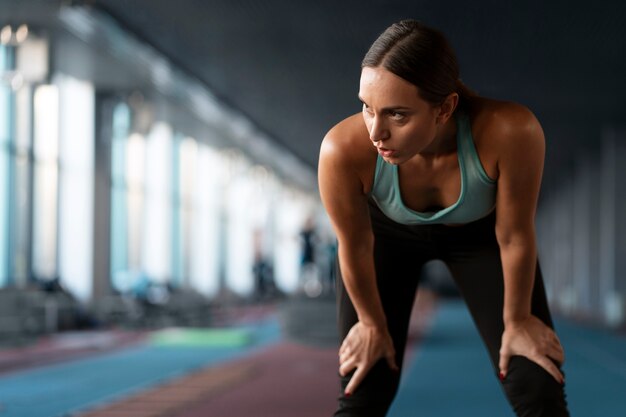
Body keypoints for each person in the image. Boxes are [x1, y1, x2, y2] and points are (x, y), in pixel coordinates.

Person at [318, 19, 569, 417]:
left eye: (397, 115)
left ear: (445, 108)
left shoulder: (509, 131)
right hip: (386, 240)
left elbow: (515, 236)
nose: (375, 132)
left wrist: (518, 320)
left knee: (537, 382)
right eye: (367, 107)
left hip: (481, 239)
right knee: (364, 386)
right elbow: (355, 244)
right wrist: (370, 324)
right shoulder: (342, 150)